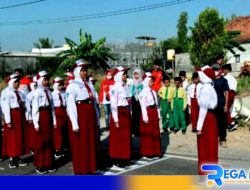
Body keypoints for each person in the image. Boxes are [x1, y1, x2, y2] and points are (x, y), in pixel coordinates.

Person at [66, 59, 97, 175]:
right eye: (82, 70)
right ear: (77, 71)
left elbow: (93, 101)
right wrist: (75, 123)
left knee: (89, 142)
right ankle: (81, 170)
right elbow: (71, 105)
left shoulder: (88, 84)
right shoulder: (72, 85)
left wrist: (97, 118)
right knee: (81, 144)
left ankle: (89, 167)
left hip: (89, 114)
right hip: (81, 115)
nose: (85, 73)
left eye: (85, 70)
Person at [1, 73, 28, 168]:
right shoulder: (6, 92)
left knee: (20, 136)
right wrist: (8, 121)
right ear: (11, 82)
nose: (18, 84)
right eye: (15, 82)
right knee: (13, 137)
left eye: (18, 82)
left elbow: (24, 104)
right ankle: (12, 158)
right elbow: (5, 107)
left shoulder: (20, 92)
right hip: (12, 116)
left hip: (20, 115)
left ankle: (18, 155)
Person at [32, 70, 57, 174]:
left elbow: (52, 108)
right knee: (40, 142)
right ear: (39, 80)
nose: (47, 82)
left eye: (47, 80)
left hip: (48, 116)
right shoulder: (37, 93)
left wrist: (54, 120)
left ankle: (49, 163)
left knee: (49, 141)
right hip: (41, 116)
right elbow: (35, 109)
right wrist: (36, 123)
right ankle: (40, 165)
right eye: (45, 80)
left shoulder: (49, 92)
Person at [196, 67, 218, 175]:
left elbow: (203, 109)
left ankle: (205, 170)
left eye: (201, 74)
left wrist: (199, 127)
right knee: (211, 143)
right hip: (211, 118)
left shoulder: (205, 89)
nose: (199, 76)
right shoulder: (211, 87)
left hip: (206, 119)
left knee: (204, 144)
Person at [109, 66, 132, 170]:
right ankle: (117, 159)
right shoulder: (115, 87)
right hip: (118, 112)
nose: (125, 75)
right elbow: (113, 103)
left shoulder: (125, 86)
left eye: (125, 74)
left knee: (125, 136)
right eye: (124, 74)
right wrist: (116, 119)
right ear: (118, 75)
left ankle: (125, 157)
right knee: (118, 137)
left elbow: (128, 99)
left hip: (125, 111)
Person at [139, 72, 161, 159]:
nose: (152, 83)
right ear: (146, 81)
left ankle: (155, 151)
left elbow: (157, 104)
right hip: (148, 113)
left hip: (153, 112)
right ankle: (147, 152)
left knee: (154, 132)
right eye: (151, 81)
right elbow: (143, 106)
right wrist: (145, 117)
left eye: (153, 81)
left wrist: (158, 115)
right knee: (148, 133)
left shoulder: (153, 91)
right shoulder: (143, 92)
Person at [212, 64, 229, 148]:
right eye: (213, 69)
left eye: (216, 69)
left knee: (222, 123)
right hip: (212, 106)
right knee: (213, 123)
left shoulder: (224, 80)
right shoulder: (210, 80)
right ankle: (213, 138)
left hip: (221, 105)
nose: (215, 71)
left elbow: (226, 93)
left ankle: (222, 139)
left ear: (220, 70)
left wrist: (226, 105)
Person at [52, 77, 68, 158]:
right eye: (59, 85)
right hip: (57, 112)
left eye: (62, 85)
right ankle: (57, 149)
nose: (61, 86)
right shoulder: (52, 94)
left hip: (64, 112)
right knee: (58, 132)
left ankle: (62, 147)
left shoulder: (64, 93)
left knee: (64, 131)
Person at [222, 64, 238, 131]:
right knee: (227, 108)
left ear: (226, 70)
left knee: (225, 109)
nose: (223, 71)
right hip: (233, 93)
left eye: (223, 69)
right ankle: (229, 123)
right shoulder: (233, 77)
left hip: (228, 93)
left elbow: (225, 88)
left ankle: (231, 123)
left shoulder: (226, 78)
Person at [25, 76, 38, 154]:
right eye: (35, 84)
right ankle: (33, 147)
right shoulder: (29, 95)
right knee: (32, 133)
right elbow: (27, 107)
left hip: (39, 115)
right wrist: (29, 117)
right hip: (32, 116)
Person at [131, 69, 143, 136]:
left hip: (140, 100)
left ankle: (139, 130)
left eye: (137, 74)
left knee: (139, 114)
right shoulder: (131, 82)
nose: (136, 75)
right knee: (134, 115)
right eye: (135, 74)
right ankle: (134, 130)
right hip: (133, 99)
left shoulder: (142, 82)